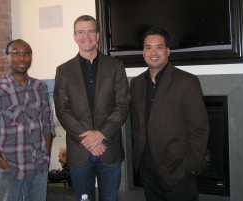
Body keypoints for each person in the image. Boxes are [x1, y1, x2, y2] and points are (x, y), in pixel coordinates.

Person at [53, 15, 130, 201]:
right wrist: (89, 139)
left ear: (98, 35)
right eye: (80, 31)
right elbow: (62, 109)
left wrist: (101, 134)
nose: (85, 36)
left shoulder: (116, 66)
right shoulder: (63, 70)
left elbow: (123, 104)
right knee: (83, 199)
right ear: (74, 37)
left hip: (108, 148)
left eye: (90, 31)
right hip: (80, 150)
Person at [130, 27, 209, 201]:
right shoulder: (136, 84)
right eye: (148, 47)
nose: (153, 52)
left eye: (159, 47)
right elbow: (137, 124)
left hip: (177, 169)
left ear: (168, 51)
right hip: (147, 168)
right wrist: (140, 161)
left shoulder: (187, 82)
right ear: (143, 52)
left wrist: (189, 165)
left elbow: (199, 128)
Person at [0, 39, 55, 201]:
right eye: (15, 53)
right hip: (11, 172)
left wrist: (46, 155)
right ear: (7, 58)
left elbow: (48, 124)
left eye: (26, 53)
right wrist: (3, 165)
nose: (22, 58)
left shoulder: (41, 88)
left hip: (39, 170)